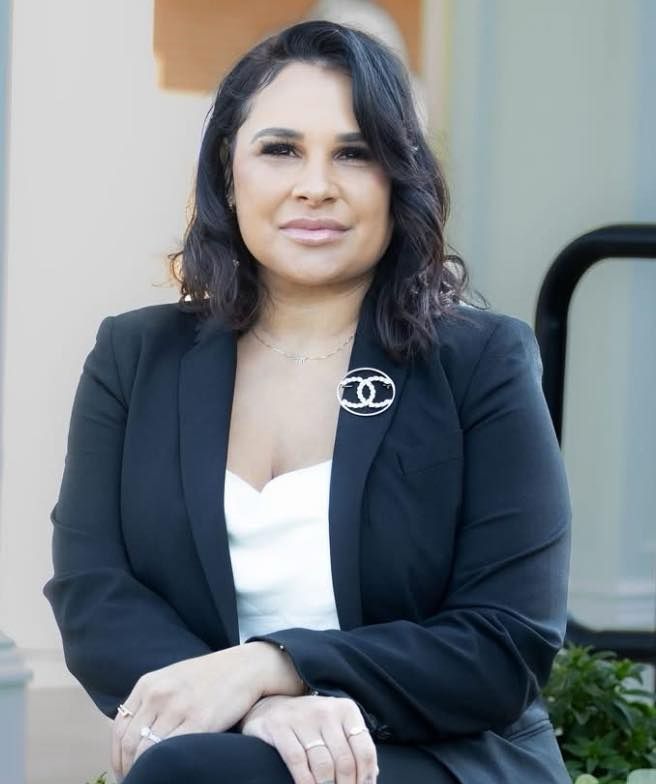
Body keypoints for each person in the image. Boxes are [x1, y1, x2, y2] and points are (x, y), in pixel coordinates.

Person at [43, 19, 572, 784]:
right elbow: (93, 595)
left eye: (354, 153)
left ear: (399, 179)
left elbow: (504, 642)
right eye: (280, 148)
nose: (315, 185)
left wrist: (275, 665)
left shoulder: (481, 362)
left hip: (440, 755)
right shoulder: (134, 357)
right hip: (222, 752)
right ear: (228, 172)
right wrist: (253, 707)